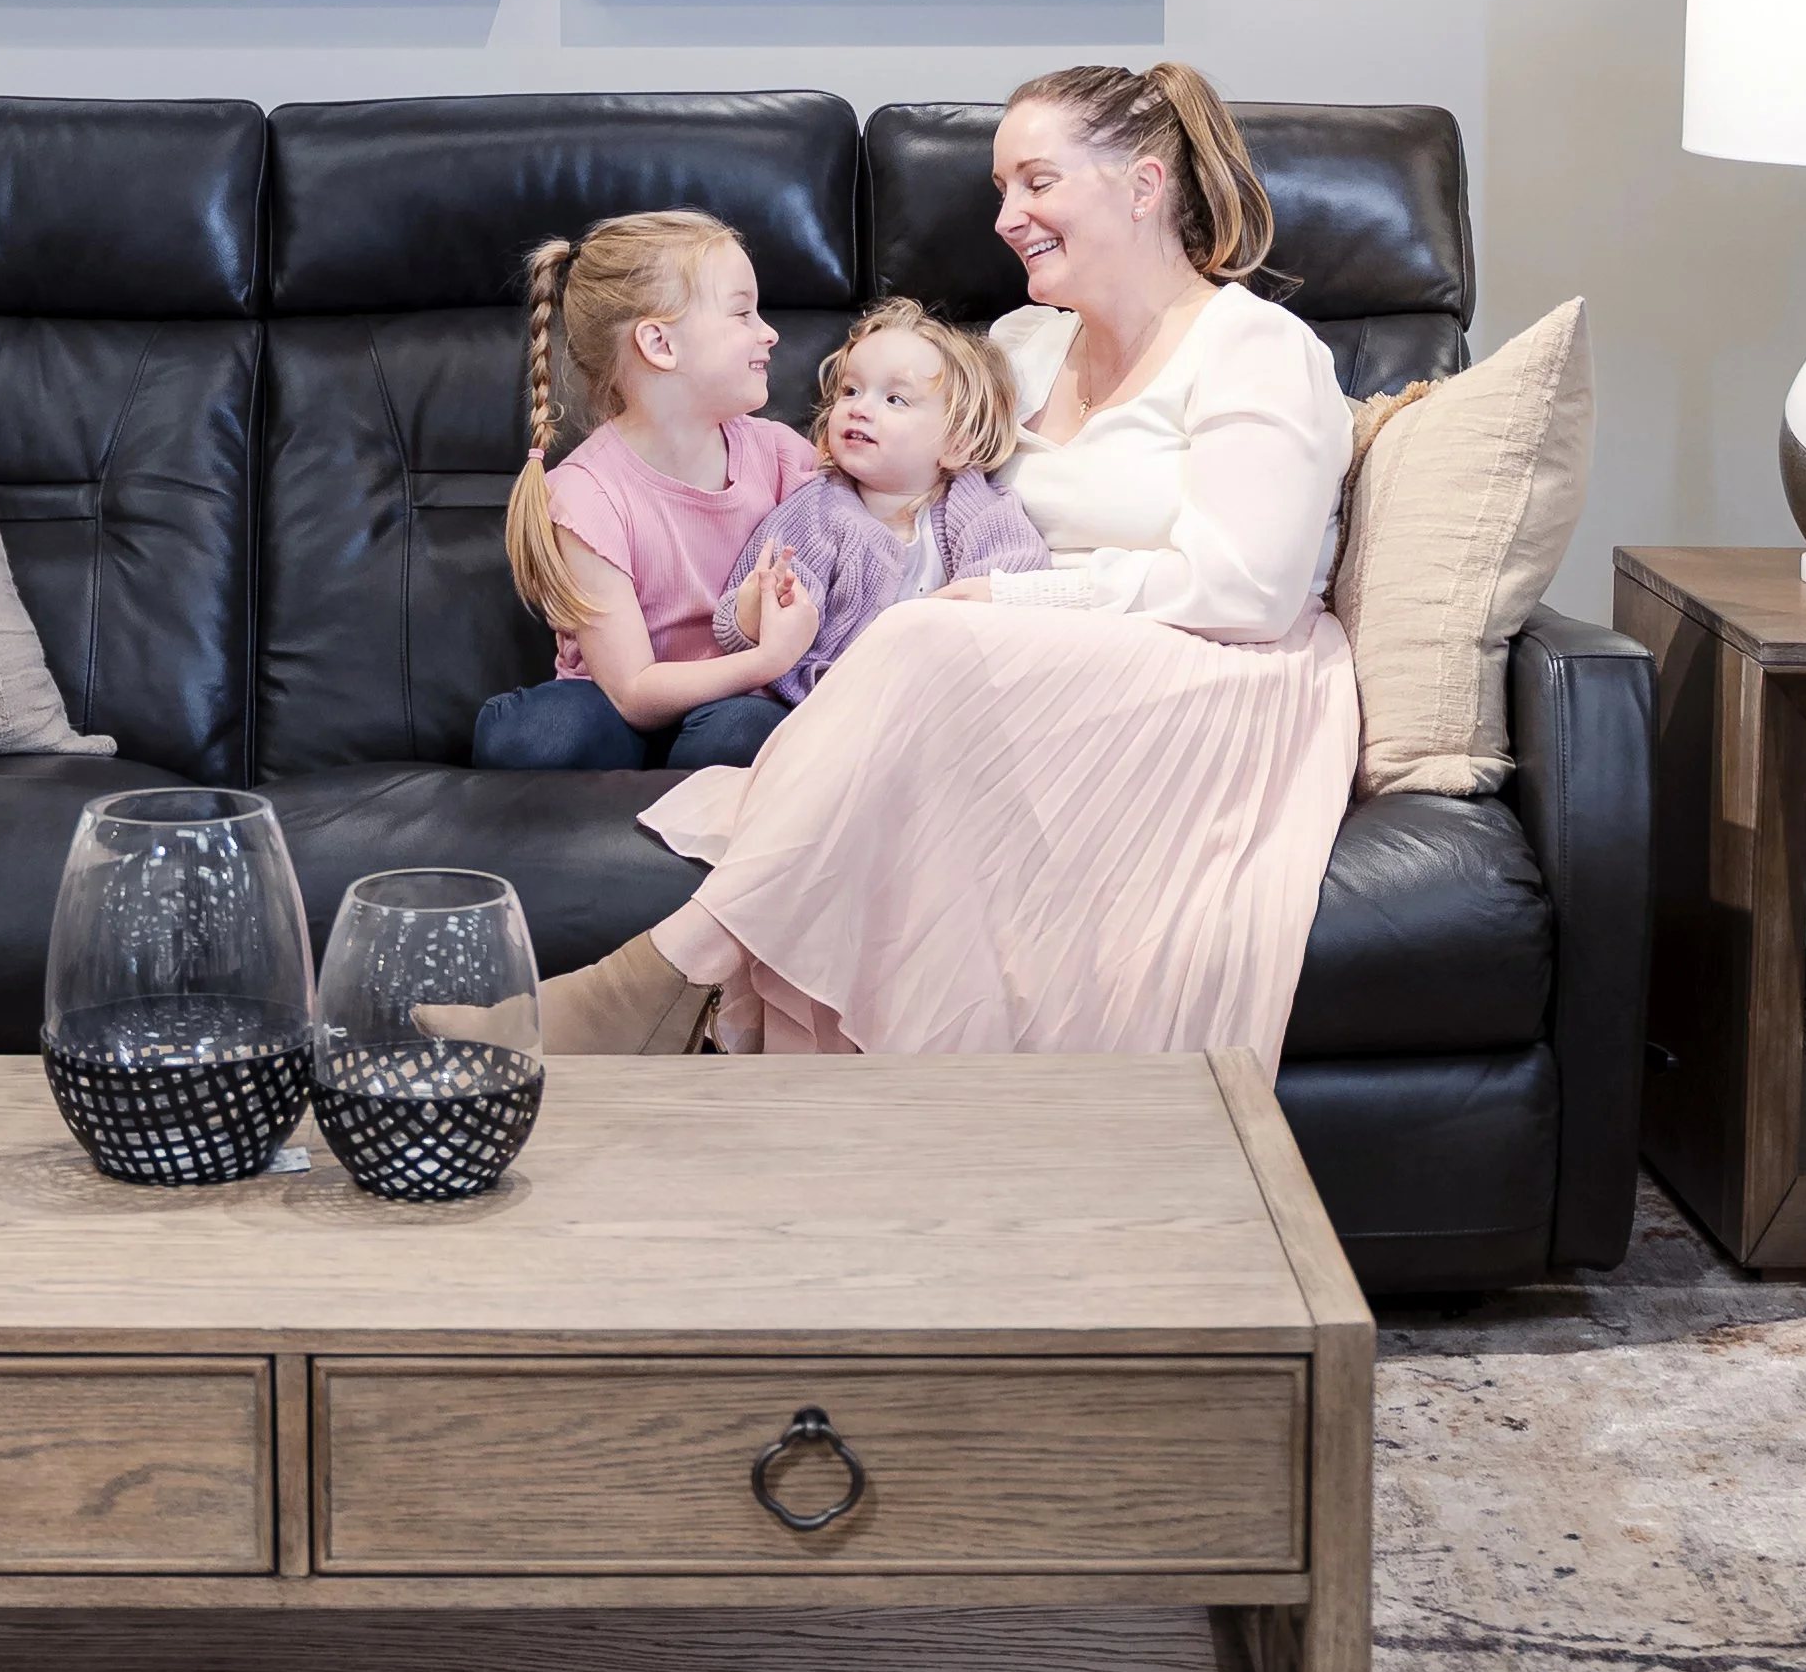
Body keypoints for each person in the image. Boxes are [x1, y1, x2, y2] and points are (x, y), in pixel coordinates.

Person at [532, 63, 1360, 1069]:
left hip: (1214, 672)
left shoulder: (1259, 350)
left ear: (1143, 187)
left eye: (1038, 182)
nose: (1009, 216)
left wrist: (1015, 600)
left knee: (924, 635)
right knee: (919, 641)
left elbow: (1251, 591)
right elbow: (892, 486)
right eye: (1000, 188)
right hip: (1026, 672)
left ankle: (657, 980)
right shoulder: (1018, 347)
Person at [472, 211, 822, 773]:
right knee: (543, 732)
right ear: (659, 344)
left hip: (728, 714)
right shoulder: (586, 496)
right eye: (742, 313)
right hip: (614, 711)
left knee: (745, 728)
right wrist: (769, 659)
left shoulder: (782, 455)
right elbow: (633, 690)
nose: (770, 331)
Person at [709, 299, 1048, 705]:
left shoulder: (980, 508)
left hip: (945, 698)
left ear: (957, 443)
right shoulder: (815, 512)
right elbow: (744, 620)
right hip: (829, 700)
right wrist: (756, 613)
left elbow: (1016, 577)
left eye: (895, 400)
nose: (859, 408)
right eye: (850, 390)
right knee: (732, 726)